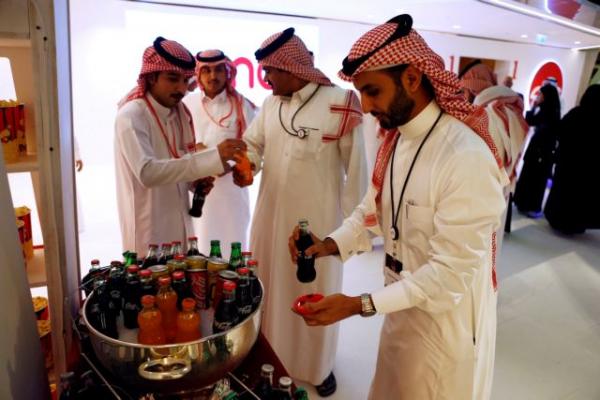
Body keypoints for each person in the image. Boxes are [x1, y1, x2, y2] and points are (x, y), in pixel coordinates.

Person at [288, 15, 507, 400]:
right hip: (400, 306)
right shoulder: (398, 139)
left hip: (447, 325)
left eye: (373, 91)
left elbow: (449, 274)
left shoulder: (464, 156)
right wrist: (328, 244)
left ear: (412, 77)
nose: (366, 106)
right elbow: (371, 210)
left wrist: (358, 304)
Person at [234, 28, 367, 396]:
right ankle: (269, 361)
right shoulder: (270, 105)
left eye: (269, 71)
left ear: (290, 67)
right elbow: (253, 145)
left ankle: (317, 368)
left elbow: (357, 172)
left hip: (318, 227)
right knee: (269, 289)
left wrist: (352, 233)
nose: (265, 78)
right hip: (269, 219)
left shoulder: (341, 101)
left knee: (314, 292)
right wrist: (248, 164)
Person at [114, 37, 246, 255]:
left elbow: (181, 162)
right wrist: (213, 157)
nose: (181, 88)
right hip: (149, 231)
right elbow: (147, 173)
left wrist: (194, 182)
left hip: (183, 228)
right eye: (173, 79)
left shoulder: (180, 113)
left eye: (185, 80)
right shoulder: (132, 115)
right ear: (152, 77)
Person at [183, 50, 257, 254]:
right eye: (206, 70)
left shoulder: (242, 105)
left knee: (232, 249)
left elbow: (254, 146)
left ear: (227, 72)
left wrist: (229, 163)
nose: (213, 76)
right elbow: (177, 145)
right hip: (195, 191)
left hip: (231, 193)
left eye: (218, 70)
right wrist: (195, 150)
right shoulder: (186, 104)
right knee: (198, 250)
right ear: (198, 74)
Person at [460, 62, 529, 238]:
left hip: (479, 200)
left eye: (464, 91)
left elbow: (479, 167)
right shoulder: (508, 109)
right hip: (497, 198)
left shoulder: (489, 115)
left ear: (472, 90)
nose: (462, 97)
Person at [544, 84, 600, 233]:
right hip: (587, 168)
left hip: (567, 163)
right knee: (580, 196)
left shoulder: (577, 113)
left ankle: (558, 220)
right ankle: (575, 224)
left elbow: (561, 130)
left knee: (562, 192)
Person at [513, 83, 561, 217]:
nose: (538, 96)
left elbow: (538, 125)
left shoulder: (550, 112)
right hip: (538, 150)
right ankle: (523, 203)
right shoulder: (546, 110)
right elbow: (531, 121)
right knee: (530, 176)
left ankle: (529, 205)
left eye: (540, 94)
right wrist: (534, 106)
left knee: (534, 179)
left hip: (542, 152)